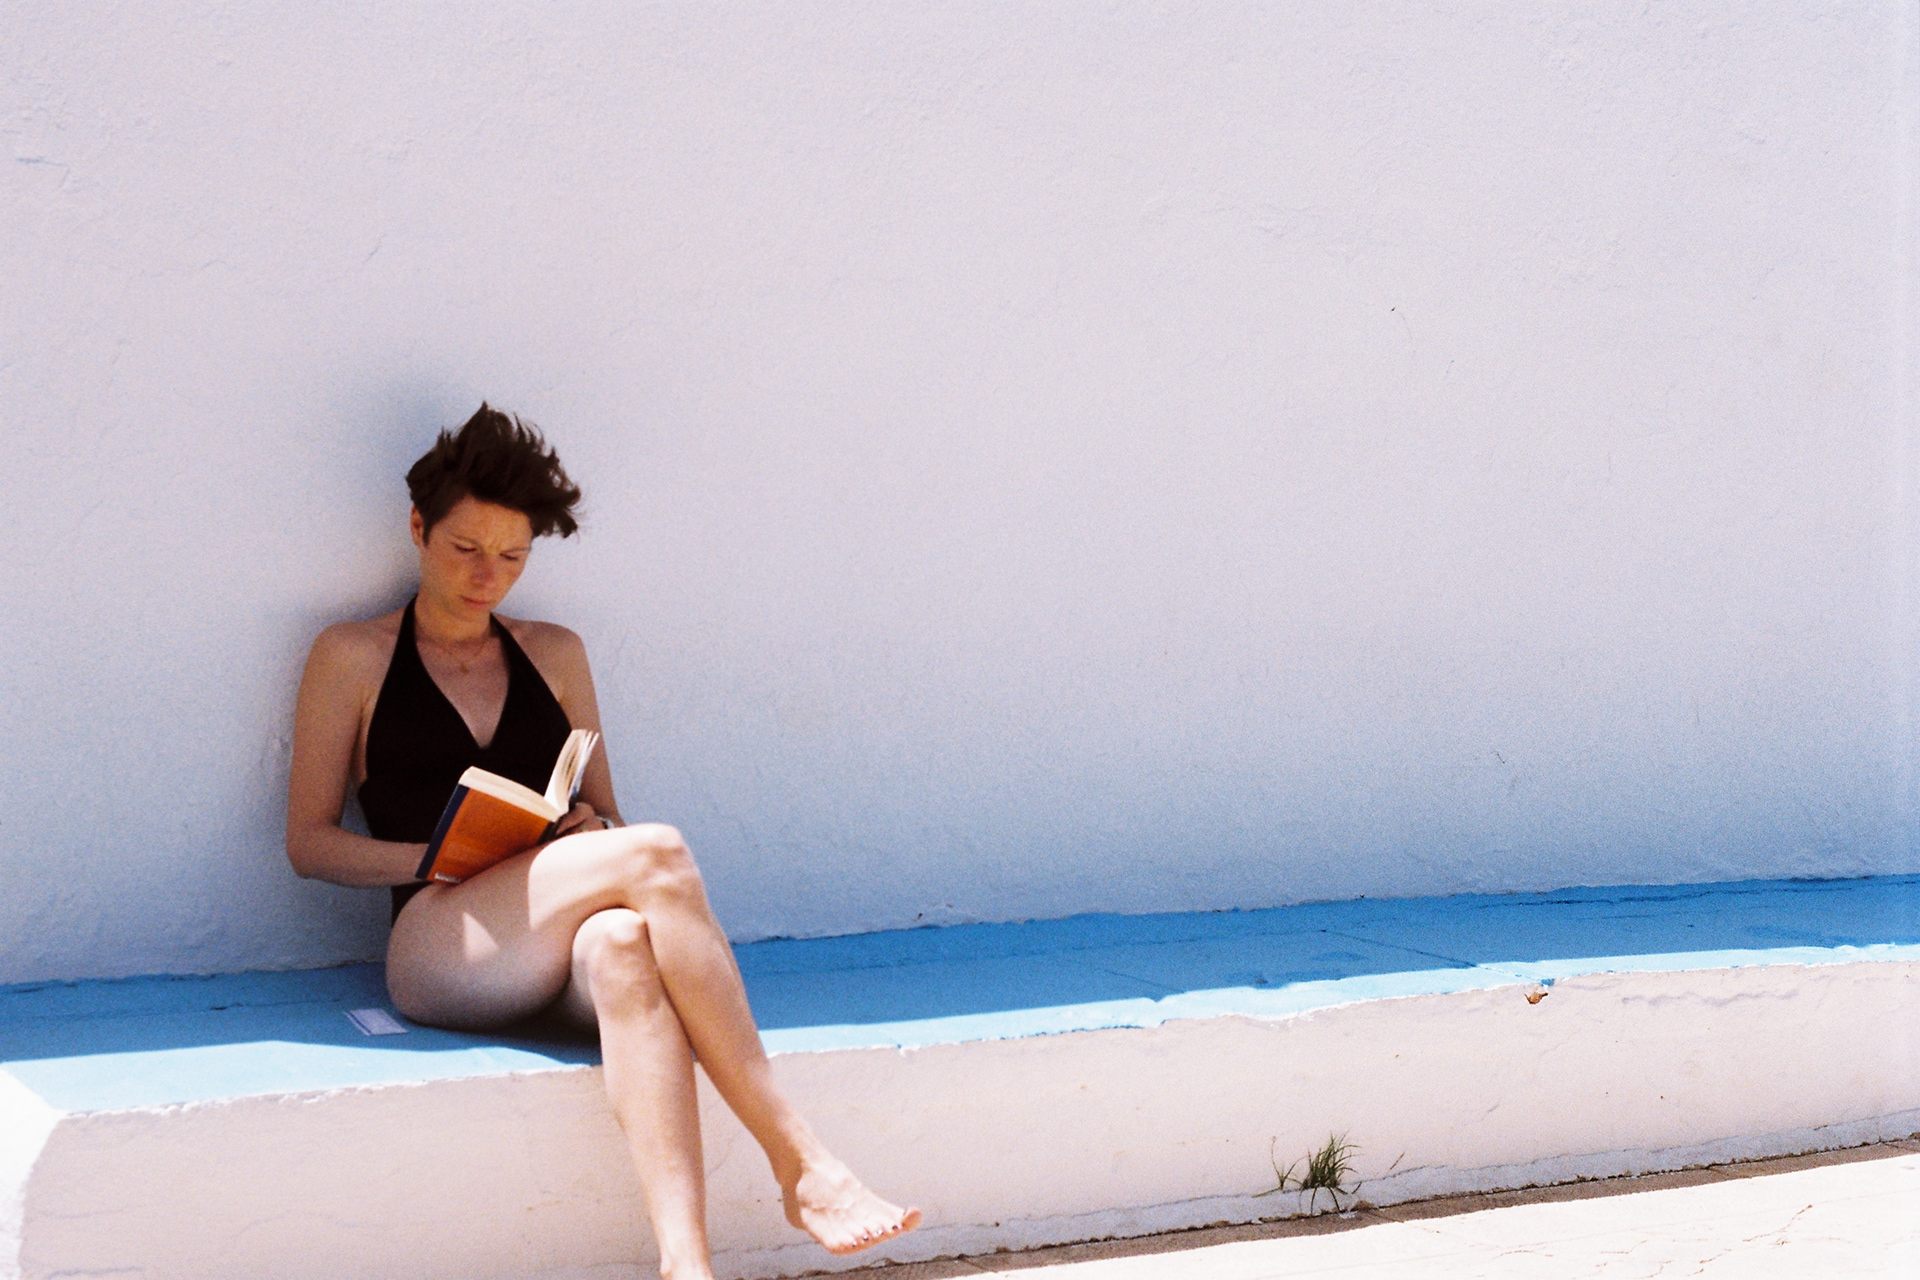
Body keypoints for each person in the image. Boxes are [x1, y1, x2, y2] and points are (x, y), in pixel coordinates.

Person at [286, 405, 918, 1280]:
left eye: (512, 557)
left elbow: (608, 816)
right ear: (418, 528)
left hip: (547, 941)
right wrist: (431, 859)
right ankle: (801, 1159)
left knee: (623, 943)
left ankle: (684, 1264)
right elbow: (308, 844)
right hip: (436, 942)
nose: (487, 577)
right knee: (655, 854)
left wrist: (587, 829)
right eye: (466, 549)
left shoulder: (554, 653)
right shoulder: (352, 655)